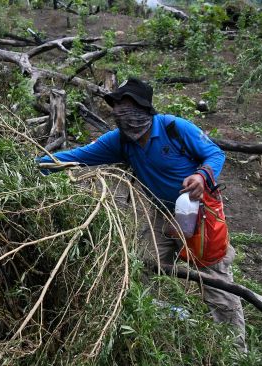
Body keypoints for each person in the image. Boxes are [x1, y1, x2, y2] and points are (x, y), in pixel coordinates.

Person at [36, 77, 246, 352]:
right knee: (141, 269)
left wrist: (200, 176)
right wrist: (36, 164)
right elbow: (79, 155)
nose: (122, 112)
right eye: (117, 105)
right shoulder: (121, 142)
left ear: (145, 107)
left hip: (200, 214)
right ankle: (157, 328)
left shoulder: (174, 128)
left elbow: (215, 154)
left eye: (128, 104)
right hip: (160, 215)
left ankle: (234, 350)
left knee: (216, 280)